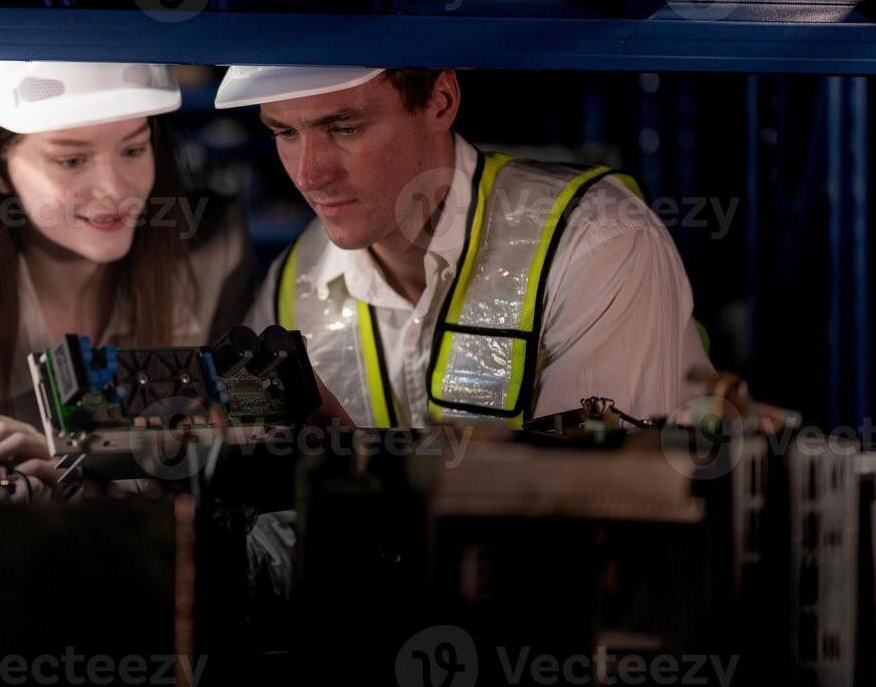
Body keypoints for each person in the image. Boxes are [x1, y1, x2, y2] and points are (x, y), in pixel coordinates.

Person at [219, 65, 711, 429]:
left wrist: (349, 468)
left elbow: (585, 519)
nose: (309, 175)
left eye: (344, 128)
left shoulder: (596, 239)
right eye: (285, 132)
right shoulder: (294, 279)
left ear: (440, 101)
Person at [0, 61, 255, 488]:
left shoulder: (212, 258)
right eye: (71, 160)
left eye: (133, 150)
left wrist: (83, 475)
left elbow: (242, 476)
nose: (113, 189)